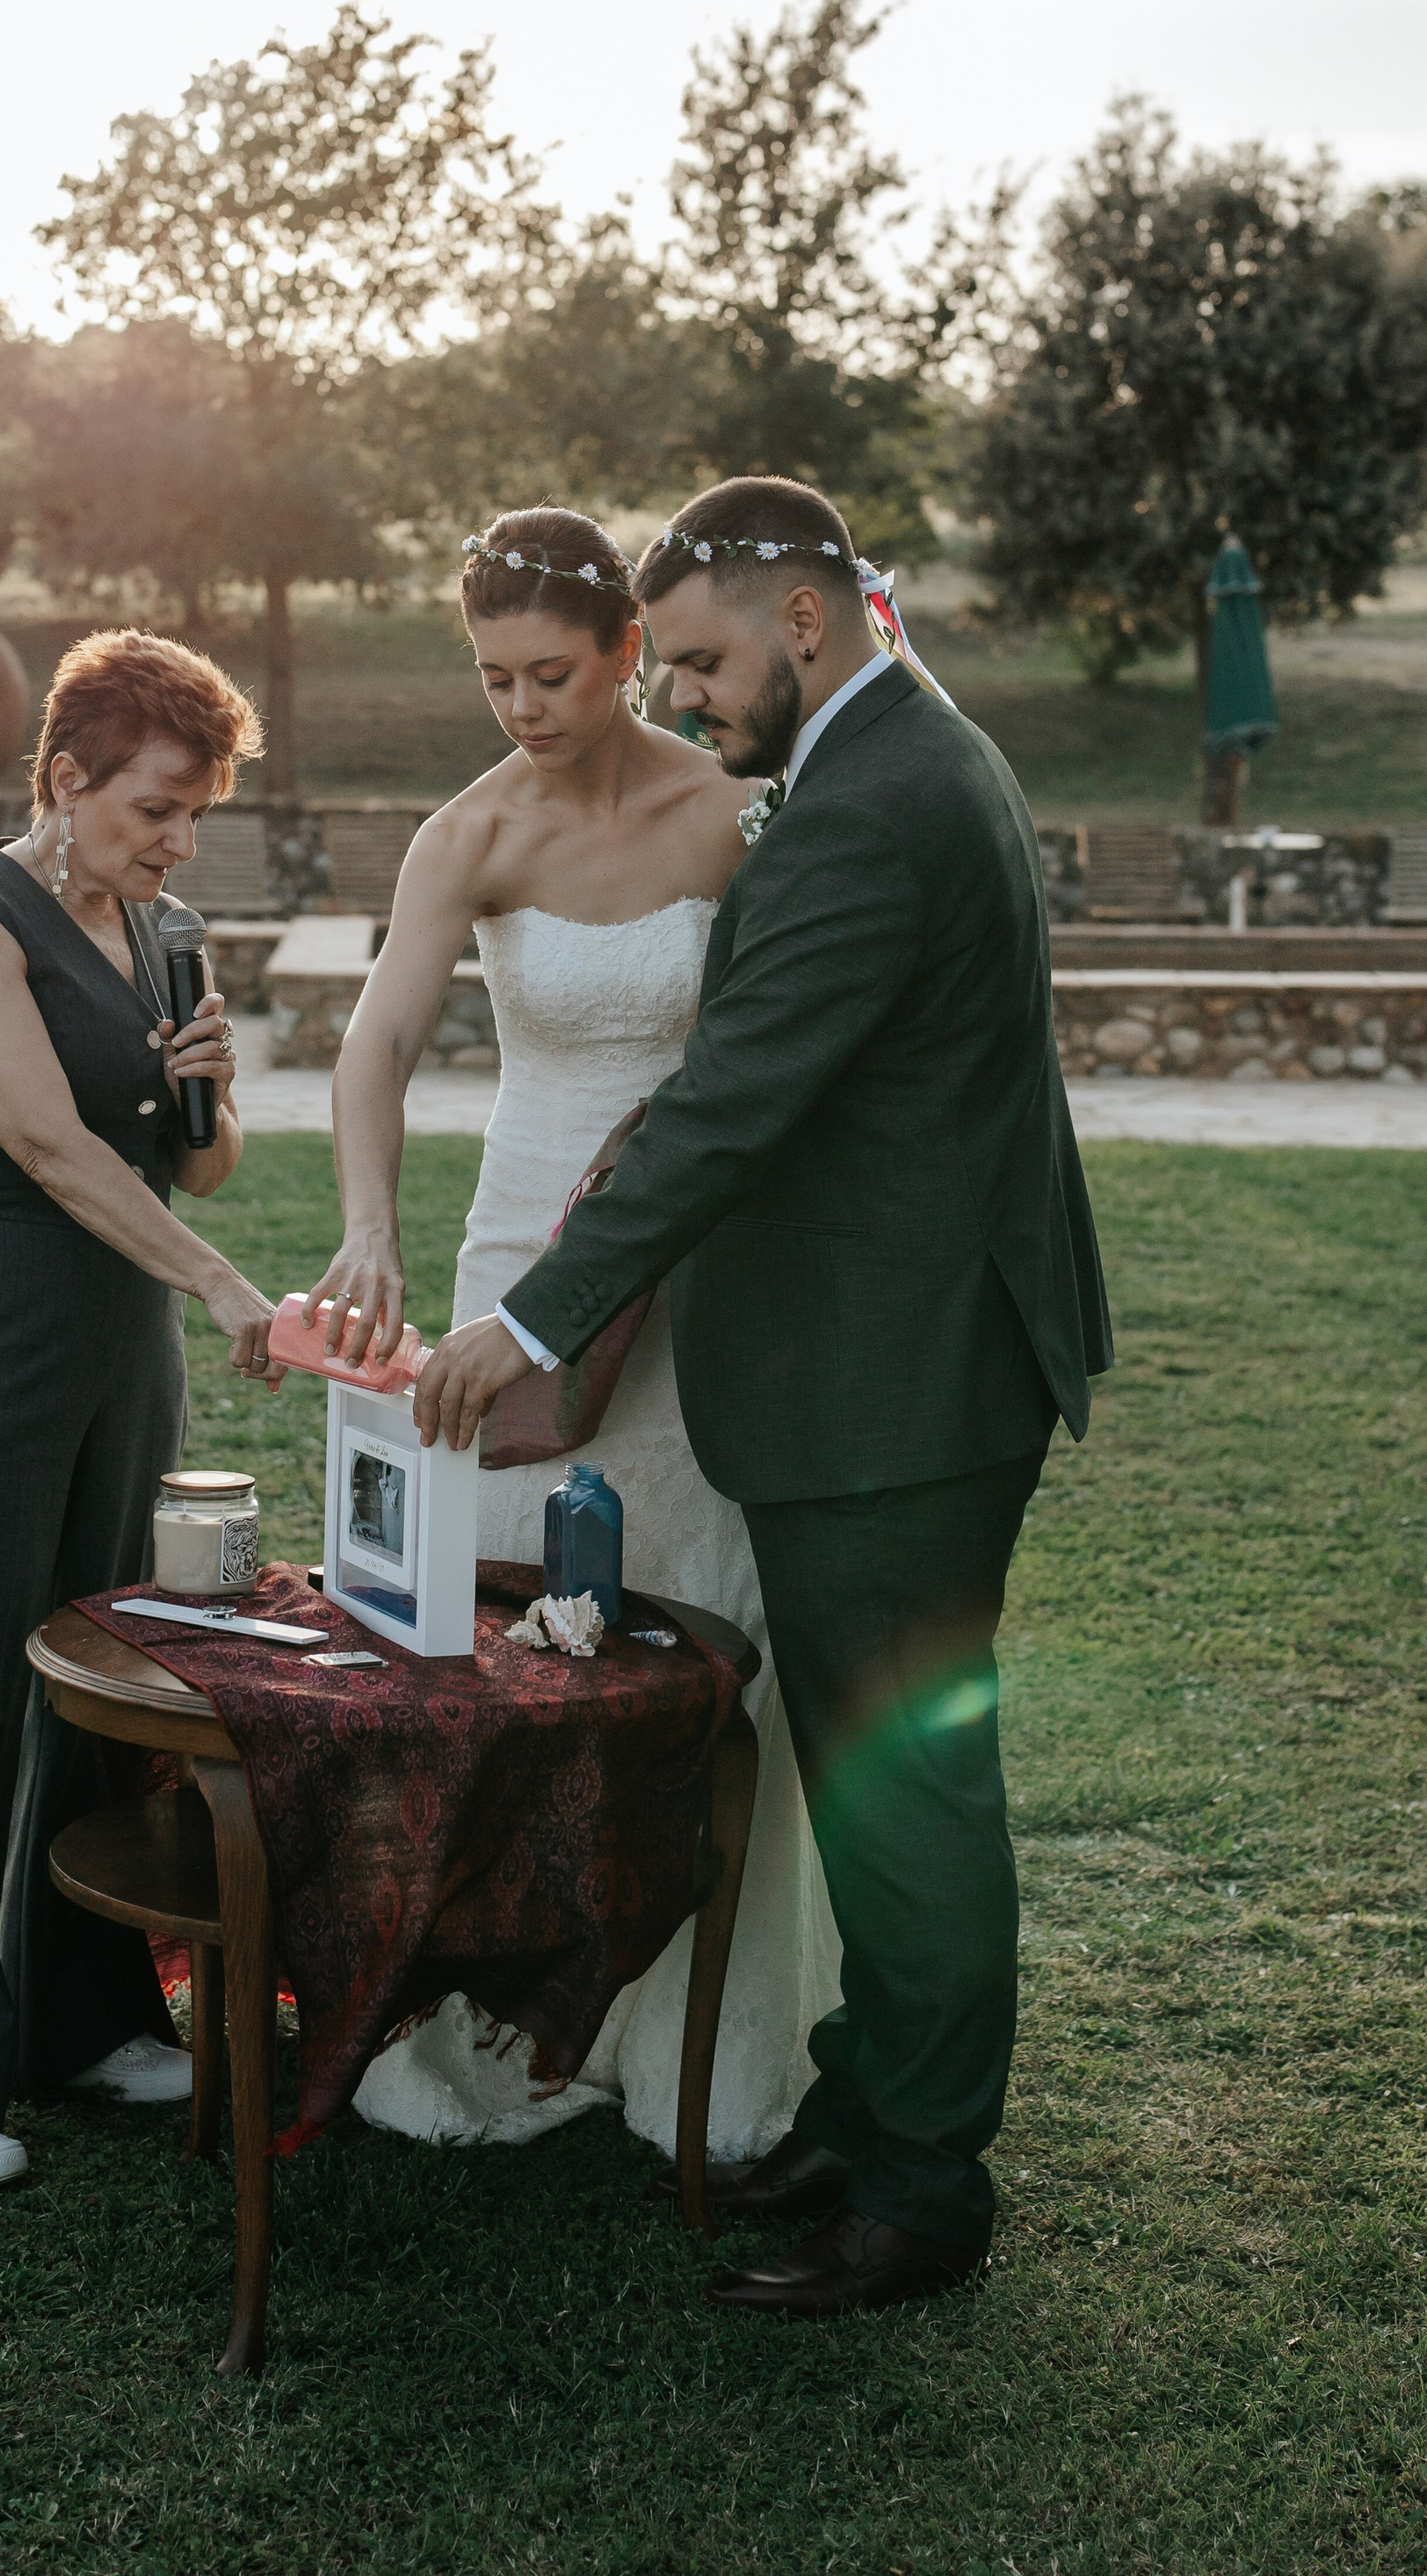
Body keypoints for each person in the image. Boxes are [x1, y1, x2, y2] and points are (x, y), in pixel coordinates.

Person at [414, 477, 1112, 2319]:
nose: (697, 697)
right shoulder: (903, 745)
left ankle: (920, 2188)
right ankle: (866, 2097)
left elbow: (725, 1109)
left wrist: (535, 1321)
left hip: (897, 1385)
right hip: (901, 1360)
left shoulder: (867, 809)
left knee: (907, 1790)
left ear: (807, 621)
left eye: (711, 658)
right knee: (869, 1765)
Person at [315, 504, 842, 2159]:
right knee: (509, 1640)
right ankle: (511, 2002)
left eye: (552, 671)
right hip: (516, 1266)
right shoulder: (466, 833)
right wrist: (368, 1233)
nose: (524, 707)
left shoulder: (741, 809)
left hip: (700, 1280)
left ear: (631, 648)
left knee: (686, 1631)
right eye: (492, 679)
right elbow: (375, 1047)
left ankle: (689, 2032)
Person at [0, 626, 279, 2191]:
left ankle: (77, 2023)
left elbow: (191, 1158)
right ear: (64, 778)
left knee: (99, 1668)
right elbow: (52, 1150)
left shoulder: (165, 928)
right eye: (158, 805)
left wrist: (211, 1079)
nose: (179, 838)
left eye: (197, 811)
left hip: (113, 1324)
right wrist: (223, 1286)